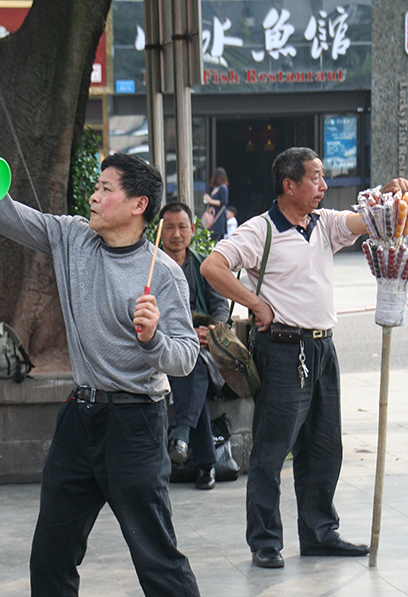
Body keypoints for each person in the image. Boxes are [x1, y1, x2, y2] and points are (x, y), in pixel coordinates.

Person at [0, 122, 227, 597]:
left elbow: (186, 357)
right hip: (81, 417)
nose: (94, 195)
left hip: (138, 424)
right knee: (52, 548)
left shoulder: (161, 274)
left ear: (139, 205)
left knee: (154, 549)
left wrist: (150, 340)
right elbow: (0, 211)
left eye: (107, 188)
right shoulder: (71, 239)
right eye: (95, 186)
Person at [200, 146, 371, 569]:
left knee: (325, 446)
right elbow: (213, 267)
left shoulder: (323, 223)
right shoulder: (261, 231)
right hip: (282, 351)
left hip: (323, 348)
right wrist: (255, 303)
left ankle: (319, 533)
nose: (324, 185)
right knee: (272, 451)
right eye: (315, 177)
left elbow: (362, 221)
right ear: (288, 185)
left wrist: (389, 195)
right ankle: (265, 541)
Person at [159, 201, 230, 490]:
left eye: (182, 227)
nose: (176, 234)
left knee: (195, 362)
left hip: (201, 347)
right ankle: (205, 462)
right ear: (160, 231)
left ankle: (182, 437)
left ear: (192, 230)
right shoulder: (150, 266)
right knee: (192, 364)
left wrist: (212, 331)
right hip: (163, 343)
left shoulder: (204, 266)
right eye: (170, 227)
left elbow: (220, 307)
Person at [203, 167, 229, 241]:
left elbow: (224, 202)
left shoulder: (223, 188)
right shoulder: (214, 188)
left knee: (216, 239)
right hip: (212, 215)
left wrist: (210, 200)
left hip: (218, 217)